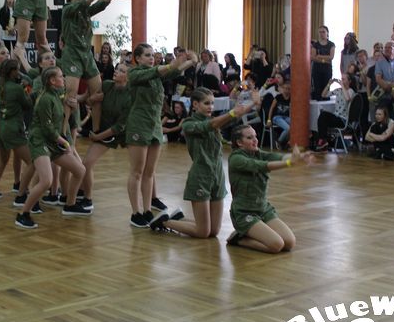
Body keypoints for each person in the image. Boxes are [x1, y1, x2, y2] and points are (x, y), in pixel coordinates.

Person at [152, 89, 257, 238]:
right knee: (203, 232)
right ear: (195, 104)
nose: (211, 107)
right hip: (201, 176)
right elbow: (211, 125)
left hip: (217, 176)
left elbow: (235, 115)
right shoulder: (189, 124)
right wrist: (232, 113)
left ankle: (178, 218)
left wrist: (253, 102)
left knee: (213, 231)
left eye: (212, 103)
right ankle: (164, 222)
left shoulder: (215, 121)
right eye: (207, 103)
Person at [126, 44, 197, 228]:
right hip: (139, 124)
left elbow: (174, 70)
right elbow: (164, 69)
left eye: (152, 55)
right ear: (138, 58)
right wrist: (174, 63)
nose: (151, 58)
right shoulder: (134, 73)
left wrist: (191, 61)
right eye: (147, 55)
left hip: (155, 126)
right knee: (137, 172)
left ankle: (147, 210)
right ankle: (135, 212)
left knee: (149, 172)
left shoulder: (157, 75)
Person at [14, 66, 89, 229]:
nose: (64, 79)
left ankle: (70, 205)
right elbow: (47, 129)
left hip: (53, 141)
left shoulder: (57, 93)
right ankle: (23, 214)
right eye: (61, 76)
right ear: (52, 81)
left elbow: (70, 97)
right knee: (46, 181)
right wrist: (66, 143)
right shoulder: (45, 99)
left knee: (80, 170)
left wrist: (80, 99)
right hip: (40, 141)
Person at [226, 125, 312, 253]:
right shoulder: (236, 159)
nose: (255, 140)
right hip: (244, 213)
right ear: (239, 142)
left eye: (255, 136)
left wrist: (299, 157)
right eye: (249, 138)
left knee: (289, 243)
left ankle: (255, 231)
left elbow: (277, 157)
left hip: (263, 209)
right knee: (276, 245)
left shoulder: (258, 153)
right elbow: (263, 166)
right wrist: (289, 163)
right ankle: (239, 239)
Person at [61, 0, 129, 138]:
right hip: (72, 54)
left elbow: (101, 5)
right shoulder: (67, 10)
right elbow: (83, 3)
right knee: (70, 95)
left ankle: (96, 131)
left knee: (98, 94)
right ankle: (63, 132)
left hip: (87, 54)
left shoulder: (85, 11)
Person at [81, 63, 132, 212]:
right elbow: (88, 102)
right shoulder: (107, 85)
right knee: (87, 163)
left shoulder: (130, 96)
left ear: (128, 77)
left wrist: (97, 137)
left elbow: (119, 127)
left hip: (124, 133)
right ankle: (87, 198)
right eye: (117, 68)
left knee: (141, 169)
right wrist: (94, 98)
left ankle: (153, 199)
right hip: (103, 130)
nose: (116, 71)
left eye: (121, 71)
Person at [0, 59, 33, 201]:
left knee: (3, 159)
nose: (19, 72)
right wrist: (27, 89)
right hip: (13, 128)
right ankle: (22, 193)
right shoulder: (17, 88)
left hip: (0, 127)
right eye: (17, 69)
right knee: (32, 161)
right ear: (12, 72)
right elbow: (28, 104)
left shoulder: (2, 85)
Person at [315, 74, 356, 151]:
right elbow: (323, 95)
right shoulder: (338, 90)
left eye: (344, 79)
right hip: (337, 117)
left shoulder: (351, 91)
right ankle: (322, 140)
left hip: (343, 120)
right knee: (322, 115)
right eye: (341, 79)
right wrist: (329, 84)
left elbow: (347, 99)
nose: (341, 80)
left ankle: (323, 140)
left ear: (349, 81)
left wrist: (342, 86)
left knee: (324, 116)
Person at [311, 25, 335, 99]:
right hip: (317, 69)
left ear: (327, 33)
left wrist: (319, 56)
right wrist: (324, 60)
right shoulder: (315, 45)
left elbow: (331, 57)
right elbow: (313, 57)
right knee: (317, 89)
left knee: (326, 89)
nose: (321, 34)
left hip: (327, 69)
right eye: (320, 32)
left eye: (323, 32)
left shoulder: (331, 44)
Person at [267, 81, 291, 149]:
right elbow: (271, 108)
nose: (286, 90)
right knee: (288, 128)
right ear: (282, 89)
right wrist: (269, 120)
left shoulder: (291, 98)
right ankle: (279, 141)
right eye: (285, 88)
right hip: (277, 117)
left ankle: (286, 142)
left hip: (286, 117)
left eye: (288, 89)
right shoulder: (278, 97)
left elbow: (291, 111)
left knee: (295, 126)